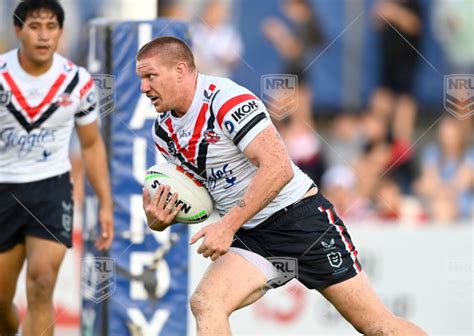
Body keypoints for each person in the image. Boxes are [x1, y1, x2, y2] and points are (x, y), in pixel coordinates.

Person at [138, 36, 426, 335]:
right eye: (141, 79)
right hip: (252, 234)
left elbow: (279, 169)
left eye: (150, 76)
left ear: (180, 70)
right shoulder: (164, 130)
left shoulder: (226, 101)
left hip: (300, 220)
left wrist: (227, 225)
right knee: (206, 303)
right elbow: (199, 194)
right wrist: (159, 218)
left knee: (377, 326)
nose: (144, 88)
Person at [0, 1, 114, 335]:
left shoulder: (77, 82)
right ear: (18, 29)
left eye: (51, 27)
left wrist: (106, 203)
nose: (44, 35)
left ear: (62, 32)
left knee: (42, 281)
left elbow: (91, 144)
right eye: (35, 26)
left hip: (51, 189)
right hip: (4, 189)